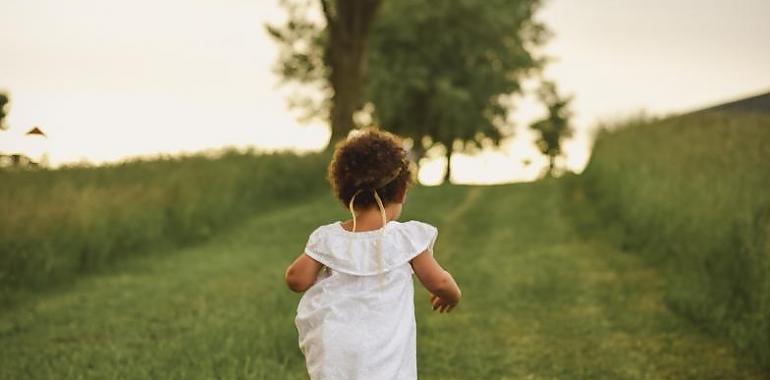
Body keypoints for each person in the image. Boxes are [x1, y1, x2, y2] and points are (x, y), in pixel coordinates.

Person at [284, 128, 462, 379]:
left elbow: (296, 279)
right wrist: (452, 296)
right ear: (401, 193)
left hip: (337, 347)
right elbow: (439, 281)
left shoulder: (329, 239)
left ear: (345, 196)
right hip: (384, 354)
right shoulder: (405, 239)